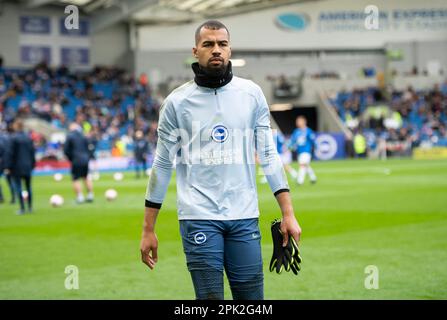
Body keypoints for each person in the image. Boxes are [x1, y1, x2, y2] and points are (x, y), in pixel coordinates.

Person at [140, 20, 302, 300]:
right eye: (208, 44)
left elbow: (268, 155)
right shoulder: (176, 103)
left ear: (229, 49)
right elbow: (163, 165)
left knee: (252, 301)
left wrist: (288, 213)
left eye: (222, 44)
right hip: (198, 217)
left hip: (244, 216)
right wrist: (148, 229)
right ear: (195, 51)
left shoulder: (251, 94)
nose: (216, 49)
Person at [5, 119, 35, 214]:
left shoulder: (13, 138)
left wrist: (8, 166)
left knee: (18, 187)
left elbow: (10, 154)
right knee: (28, 187)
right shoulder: (28, 138)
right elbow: (32, 152)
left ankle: (22, 208)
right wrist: (32, 164)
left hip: (16, 167)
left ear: (16, 126)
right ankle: (30, 207)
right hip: (27, 166)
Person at [64, 123, 94, 203]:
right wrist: (88, 157)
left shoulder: (70, 136)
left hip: (76, 159)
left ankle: (80, 196)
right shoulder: (84, 135)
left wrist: (71, 158)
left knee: (75, 178)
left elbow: (66, 150)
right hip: (85, 159)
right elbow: (89, 148)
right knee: (86, 177)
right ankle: (90, 195)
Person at [288, 116, 317, 185]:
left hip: (306, 151)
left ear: (304, 122)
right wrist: (289, 147)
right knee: (305, 165)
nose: (297, 123)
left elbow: (313, 140)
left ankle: (300, 181)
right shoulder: (296, 131)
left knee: (302, 164)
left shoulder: (308, 131)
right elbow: (292, 141)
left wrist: (316, 147)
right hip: (299, 152)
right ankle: (313, 177)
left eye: (299, 121)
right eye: (297, 121)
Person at [0, 124, 16, 204]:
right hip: (9, 162)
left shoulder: (2, 138)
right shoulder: (9, 137)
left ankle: (1, 197)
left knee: (9, 180)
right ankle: (13, 197)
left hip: (3, 162)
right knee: (10, 181)